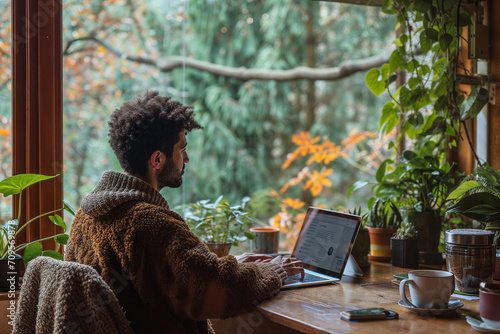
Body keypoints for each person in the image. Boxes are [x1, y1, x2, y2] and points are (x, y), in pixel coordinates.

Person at [64, 91, 304, 334]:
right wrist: (273, 271)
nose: (186, 158)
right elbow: (210, 290)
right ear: (157, 159)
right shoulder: (151, 222)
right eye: (182, 149)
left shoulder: (85, 216)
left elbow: (178, 274)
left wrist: (232, 264)